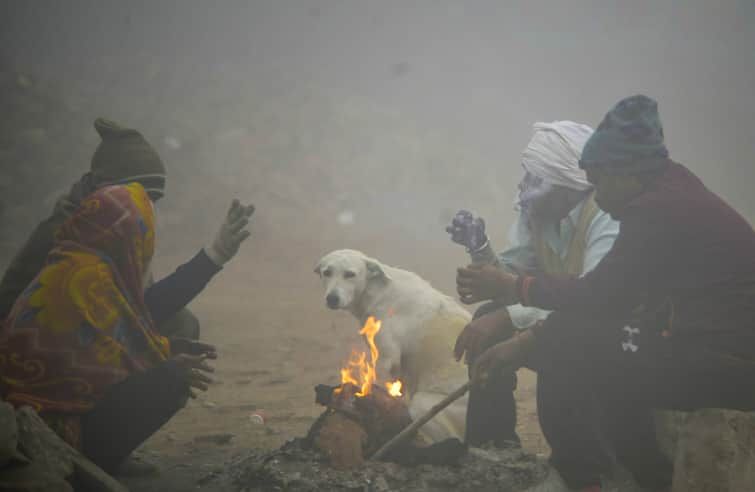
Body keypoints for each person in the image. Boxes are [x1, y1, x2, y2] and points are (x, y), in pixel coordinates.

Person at [457, 95, 755, 492]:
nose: (597, 195)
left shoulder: (654, 210)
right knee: (591, 341)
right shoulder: (668, 188)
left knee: (570, 345)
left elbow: (601, 296)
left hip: (728, 363)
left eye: (600, 183)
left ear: (625, 173)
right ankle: (638, 475)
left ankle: (583, 480)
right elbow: (615, 299)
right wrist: (520, 311)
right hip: (693, 342)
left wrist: (521, 310)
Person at [0, 182, 254, 474]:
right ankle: (92, 464)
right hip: (47, 436)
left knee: (176, 337)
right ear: (127, 233)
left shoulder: (79, 263)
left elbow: (136, 317)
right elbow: (108, 363)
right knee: (170, 381)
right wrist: (167, 363)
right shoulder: (87, 283)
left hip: (34, 417)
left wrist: (216, 254)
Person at [447, 121, 619, 447]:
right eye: (526, 174)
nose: (525, 185)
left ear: (567, 185)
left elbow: (595, 299)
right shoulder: (539, 213)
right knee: (488, 314)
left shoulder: (605, 216)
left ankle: (579, 468)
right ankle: (492, 446)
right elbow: (510, 279)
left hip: (605, 331)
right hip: (562, 314)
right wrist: (479, 247)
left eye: (536, 178)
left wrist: (509, 317)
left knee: (555, 344)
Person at [0, 118, 199, 340]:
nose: (145, 207)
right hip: (56, 340)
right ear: (108, 190)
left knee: (181, 323)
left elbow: (142, 299)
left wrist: (213, 258)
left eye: (151, 199)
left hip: (103, 326)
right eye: (137, 197)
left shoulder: (125, 223)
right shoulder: (66, 230)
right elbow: (11, 294)